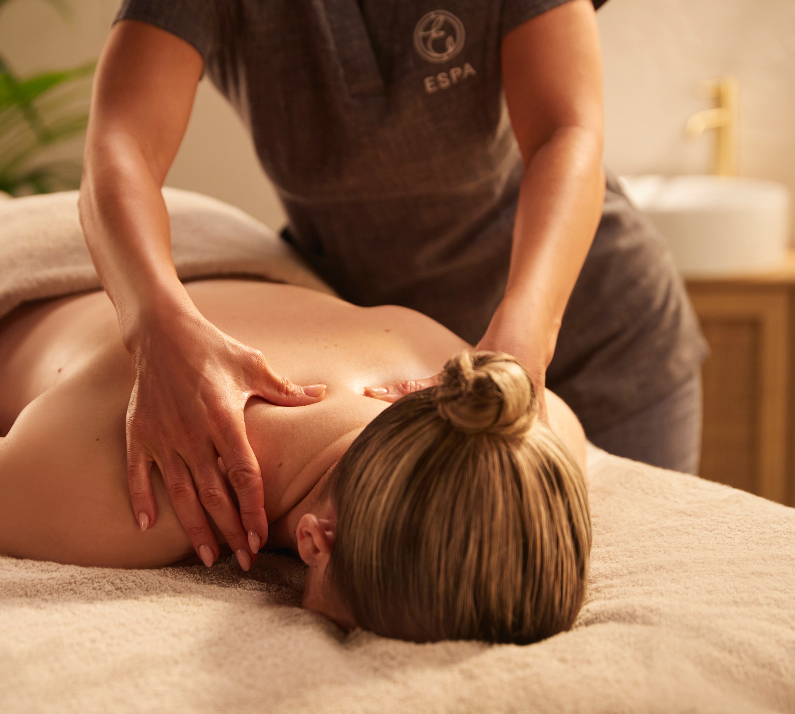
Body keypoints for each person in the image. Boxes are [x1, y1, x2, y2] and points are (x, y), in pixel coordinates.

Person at [78, 0, 707, 569]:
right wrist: (153, 321)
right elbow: (121, 143)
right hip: (386, 353)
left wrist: (526, 335)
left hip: (597, 342)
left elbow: (565, 134)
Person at [0, 279, 590, 643]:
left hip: (242, 249)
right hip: (6, 271)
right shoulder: (130, 489)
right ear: (314, 544)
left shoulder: (519, 419)